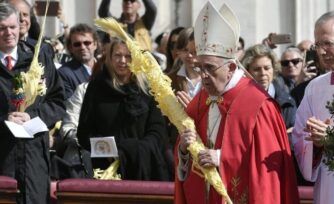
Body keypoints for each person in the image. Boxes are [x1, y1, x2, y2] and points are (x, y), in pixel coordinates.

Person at [174, 2, 299, 204]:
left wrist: (222, 158)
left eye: (210, 68)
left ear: (231, 67)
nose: (204, 76)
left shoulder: (258, 104)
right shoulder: (199, 100)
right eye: (199, 68)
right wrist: (183, 149)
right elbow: (183, 156)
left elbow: (268, 167)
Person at [77, 38, 169, 181]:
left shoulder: (148, 88)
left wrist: (135, 150)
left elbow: (157, 130)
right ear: (110, 57)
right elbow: (84, 131)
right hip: (107, 168)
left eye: (128, 56)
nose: (123, 61)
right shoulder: (97, 87)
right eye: (118, 55)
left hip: (144, 168)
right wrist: (108, 151)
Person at [0, 3, 65, 204]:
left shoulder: (38, 56)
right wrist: (4, 120)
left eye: (12, 26)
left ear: (20, 26)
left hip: (34, 156)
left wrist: (33, 115)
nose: (8, 33)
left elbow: (57, 101)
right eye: (1, 28)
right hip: (3, 157)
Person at [292, 11, 334, 204]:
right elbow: (299, 135)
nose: (322, 51)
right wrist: (315, 145)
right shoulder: (315, 88)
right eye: (318, 45)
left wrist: (331, 136)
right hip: (327, 187)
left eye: (328, 43)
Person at [241, 44, 296, 129]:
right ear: (247, 71)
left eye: (267, 68)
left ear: (274, 69)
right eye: (257, 69)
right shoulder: (240, 102)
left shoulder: (287, 103)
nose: (263, 73)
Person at [58, 23, 99, 99]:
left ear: (95, 44)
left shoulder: (108, 67)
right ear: (70, 48)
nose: (82, 47)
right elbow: (71, 105)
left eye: (87, 43)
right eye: (77, 44)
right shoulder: (64, 73)